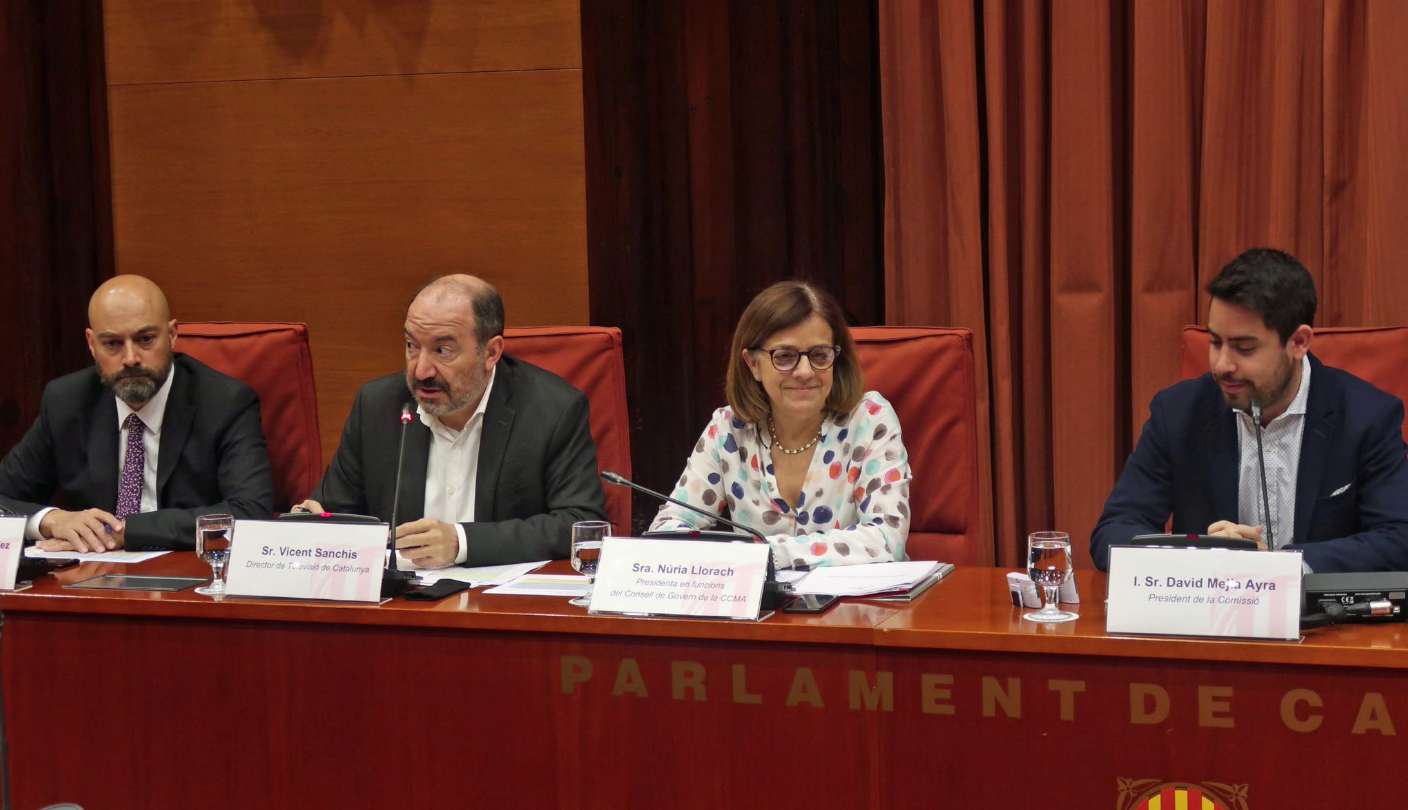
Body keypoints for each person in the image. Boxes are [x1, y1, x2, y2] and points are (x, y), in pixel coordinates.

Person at [1091, 248, 1408, 573]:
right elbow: (1114, 531)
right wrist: (1199, 557)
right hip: (1207, 602)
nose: (1222, 365)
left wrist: (1282, 566)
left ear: (1298, 342)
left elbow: (1399, 538)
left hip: (1315, 605)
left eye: (1244, 348)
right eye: (1216, 343)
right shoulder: (1177, 413)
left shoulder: (1367, 417)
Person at [298, 274, 607, 568]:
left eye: (442, 350)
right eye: (412, 346)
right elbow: (334, 511)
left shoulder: (552, 409)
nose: (421, 371)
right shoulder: (377, 406)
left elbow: (581, 523)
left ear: (491, 352)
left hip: (499, 599)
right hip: (401, 598)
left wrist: (462, 542)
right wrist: (311, 523)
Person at [0, 275, 274, 551]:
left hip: (186, 568)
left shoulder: (224, 403)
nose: (130, 358)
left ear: (172, 335)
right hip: (90, 570)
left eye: (145, 339)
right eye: (112, 343)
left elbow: (250, 511)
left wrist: (124, 533)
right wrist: (50, 520)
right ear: (92, 344)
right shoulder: (66, 401)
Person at [649, 280, 910, 569]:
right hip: (759, 598)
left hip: (858, 599)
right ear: (753, 364)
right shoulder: (728, 430)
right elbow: (667, 530)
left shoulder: (870, 419)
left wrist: (766, 555)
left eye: (819, 355)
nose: (805, 371)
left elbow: (886, 539)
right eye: (784, 357)